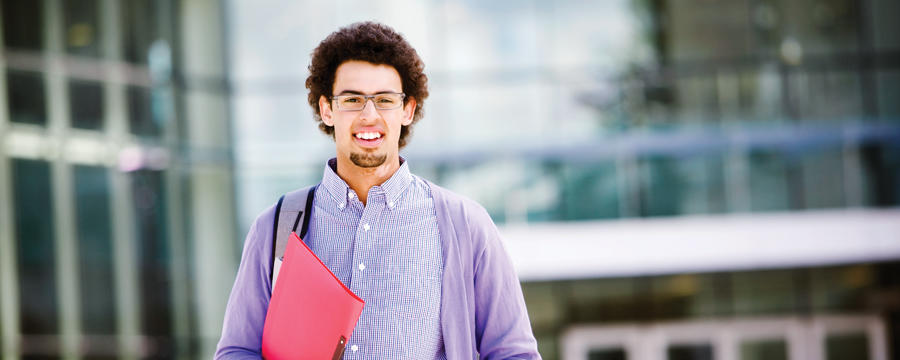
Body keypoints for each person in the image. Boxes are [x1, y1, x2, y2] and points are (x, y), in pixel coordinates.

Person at [215, 21, 540, 359]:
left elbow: (512, 352)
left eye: (385, 100)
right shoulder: (276, 228)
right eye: (352, 99)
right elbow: (237, 351)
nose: (369, 115)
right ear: (327, 109)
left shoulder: (466, 226)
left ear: (407, 110)